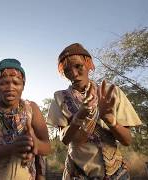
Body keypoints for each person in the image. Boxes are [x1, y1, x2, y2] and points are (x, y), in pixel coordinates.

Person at [47, 43, 142, 180]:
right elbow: (66, 139)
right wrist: (80, 115)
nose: (73, 74)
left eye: (78, 66)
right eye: (67, 70)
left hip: (115, 172)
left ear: (89, 64)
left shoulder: (112, 92)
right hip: (77, 172)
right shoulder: (60, 97)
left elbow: (127, 140)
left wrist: (110, 119)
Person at [0, 58, 51, 180]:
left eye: (16, 83)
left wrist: (35, 143)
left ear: (23, 85)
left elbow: (47, 147)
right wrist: (12, 148)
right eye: (3, 83)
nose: (10, 87)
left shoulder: (31, 108)